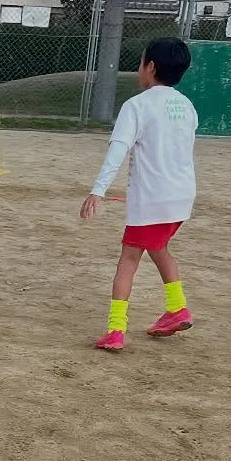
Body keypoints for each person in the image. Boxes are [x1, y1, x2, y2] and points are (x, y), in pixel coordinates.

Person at [81, 37, 199, 352]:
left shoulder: (137, 105)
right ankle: (177, 308)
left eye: (140, 62)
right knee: (158, 248)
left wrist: (98, 190)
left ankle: (116, 330)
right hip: (182, 197)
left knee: (129, 259)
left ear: (151, 67)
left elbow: (118, 149)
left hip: (152, 200)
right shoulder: (186, 105)